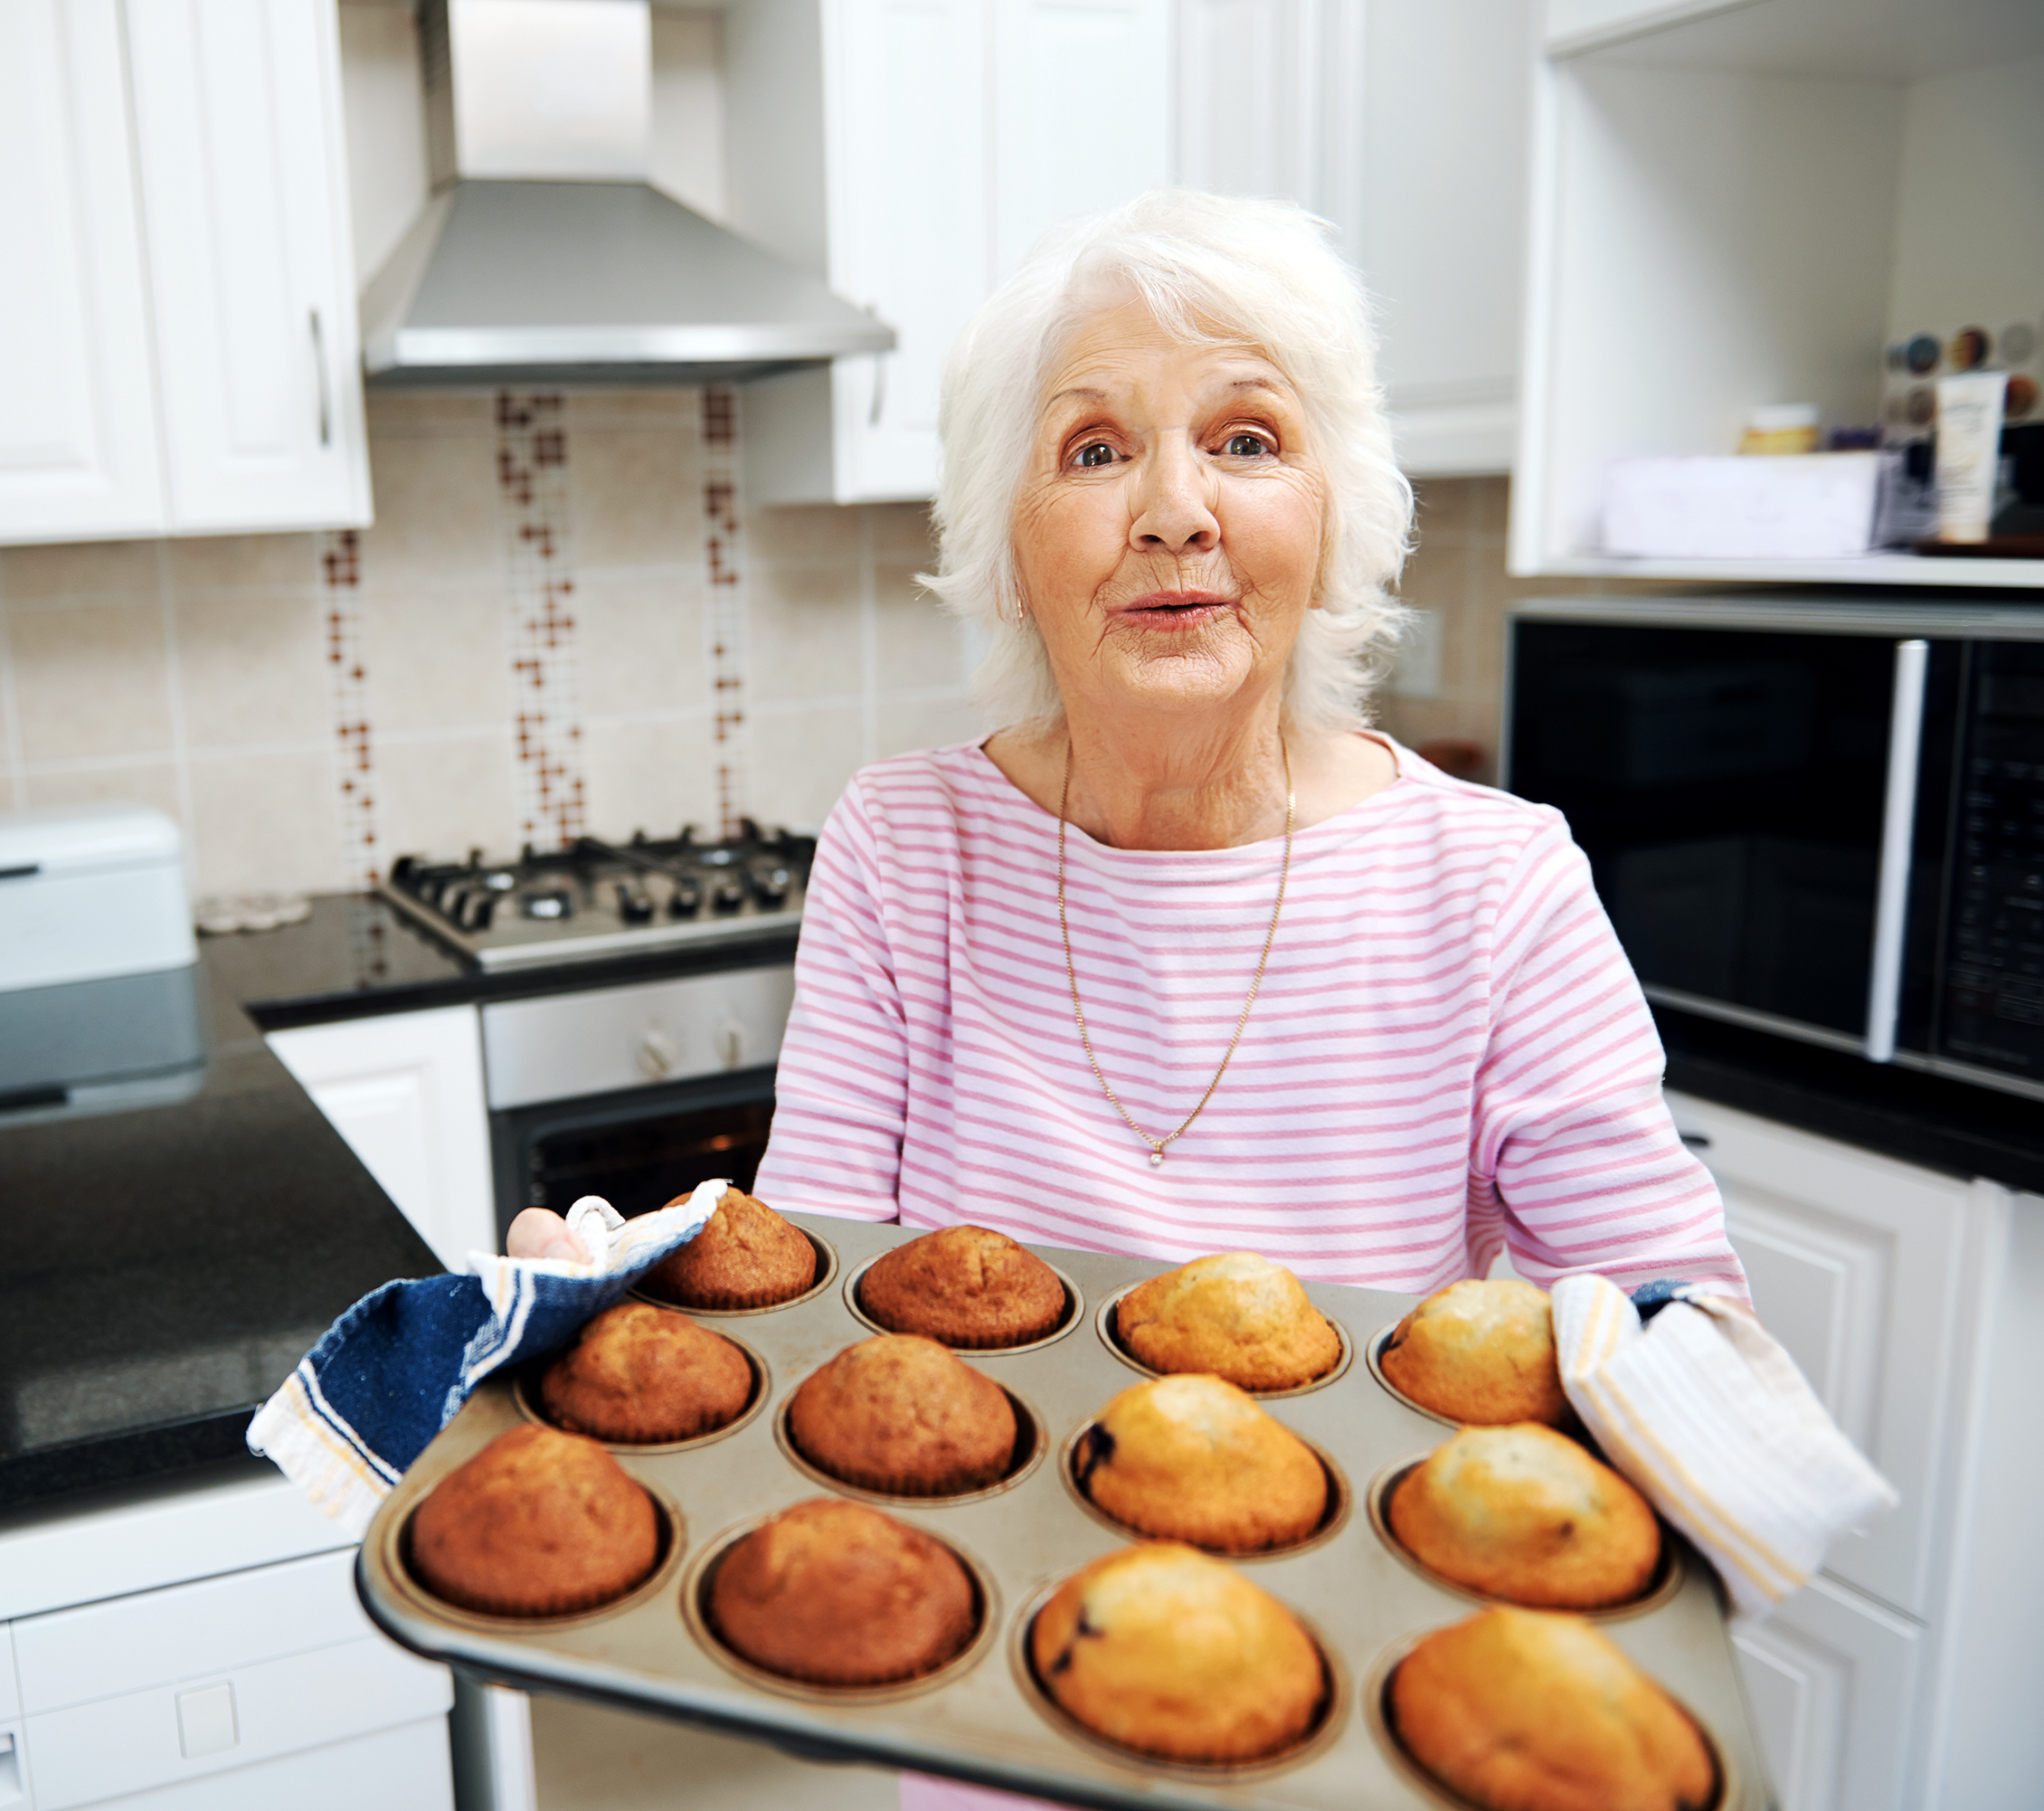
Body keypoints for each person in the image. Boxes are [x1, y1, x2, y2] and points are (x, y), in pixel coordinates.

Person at [510, 189, 1744, 1808]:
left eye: (1246, 438)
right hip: (995, 1713)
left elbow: (1685, 1342)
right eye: (1095, 452)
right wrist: (626, 1301)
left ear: (1339, 513)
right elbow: (807, 1298)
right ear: (1009, 541)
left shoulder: (1495, 882)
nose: (1175, 510)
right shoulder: (907, 844)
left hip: (1362, 1724)